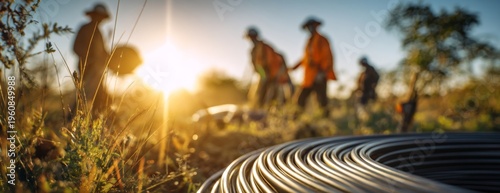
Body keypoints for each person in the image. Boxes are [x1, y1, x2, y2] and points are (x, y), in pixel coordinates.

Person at [290, 17, 336, 118]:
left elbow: (327, 56)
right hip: (309, 77)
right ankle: (296, 120)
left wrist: (322, 72)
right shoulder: (309, 42)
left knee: (322, 100)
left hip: (319, 75)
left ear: (316, 26)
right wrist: (293, 68)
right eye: (308, 27)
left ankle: (325, 122)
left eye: (312, 26)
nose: (310, 28)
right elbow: (305, 59)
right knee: (300, 99)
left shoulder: (322, 39)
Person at [73, 3, 111, 115]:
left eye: (101, 17)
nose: (99, 19)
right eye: (97, 15)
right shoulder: (84, 28)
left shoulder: (100, 33)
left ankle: (96, 119)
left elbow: (103, 53)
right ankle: (72, 120)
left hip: (98, 70)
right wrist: (90, 60)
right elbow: (76, 47)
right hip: (86, 68)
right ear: (92, 15)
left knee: (100, 96)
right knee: (84, 95)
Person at [245, 27, 292, 107]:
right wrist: (262, 75)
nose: (252, 39)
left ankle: (276, 108)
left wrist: (272, 74)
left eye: (252, 37)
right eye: (250, 37)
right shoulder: (253, 50)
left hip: (275, 72)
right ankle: (260, 107)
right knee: (262, 90)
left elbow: (274, 60)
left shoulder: (265, 47)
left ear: (256, 36)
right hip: (265, 73)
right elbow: (256, 66)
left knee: (276, 92)